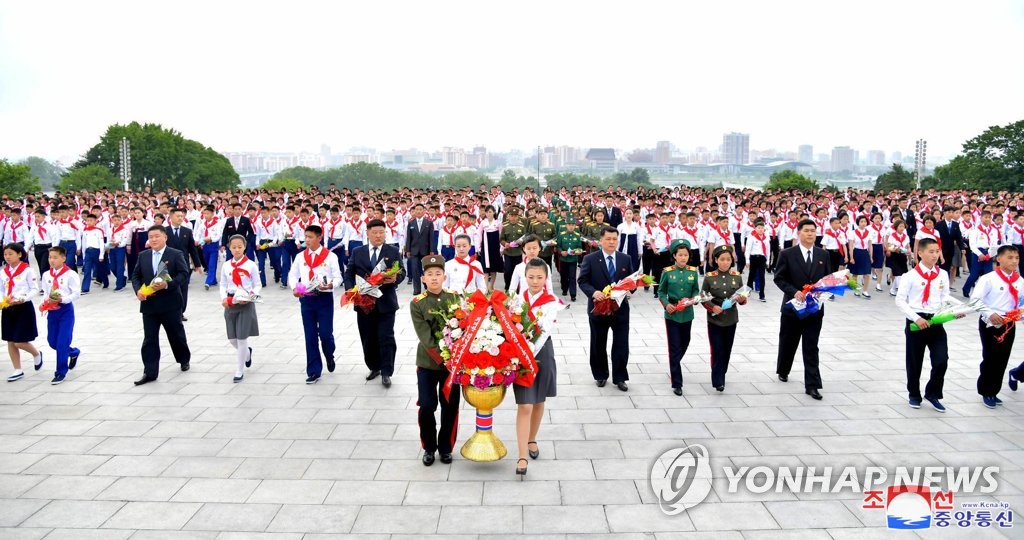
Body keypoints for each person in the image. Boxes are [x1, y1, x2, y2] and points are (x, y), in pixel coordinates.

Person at [409, 254, 460, 466]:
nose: (434, 278)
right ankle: (429, 448)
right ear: (423, 279)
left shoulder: (454, 298)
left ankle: (446, 448)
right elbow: (426, 337)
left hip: (452, 367)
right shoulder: (417, 303)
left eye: (438, 274)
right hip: (428, 364)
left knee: (450, 406)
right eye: (429, 274)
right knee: (428, 405)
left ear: (444, 277)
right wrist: (443, 359)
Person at [513, 259, 562, 479]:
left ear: (546, 278)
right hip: (520, 355)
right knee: (525, 404)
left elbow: (543, 332)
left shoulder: (552, 302)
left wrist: (529, 352)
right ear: (525, 277)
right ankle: (522, 454)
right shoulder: (516, 300)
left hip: (541, 353)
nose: (534, 281)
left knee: (539, 399)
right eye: (531, 277)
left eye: (539, 277)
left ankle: (532, 438)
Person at [895, 238, 956, 412]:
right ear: (920, 253)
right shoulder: (910, 276)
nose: (935, 255)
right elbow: (900, 301)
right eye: (931, 251)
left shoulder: (942, 274)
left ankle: (933, 393)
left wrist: (953, 310)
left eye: (937, 251)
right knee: (914, 361)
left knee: (941, 359)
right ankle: (914, 394)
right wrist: (916, 318)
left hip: (936, 321)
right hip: (917, 320)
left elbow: (945, 297)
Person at [774, 218, 832, 400]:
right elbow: (779, 278)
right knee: (788, 342)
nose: (810, 234)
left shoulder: (823, 255)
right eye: (806, 230)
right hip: (793, 308)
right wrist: (795, 292)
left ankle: (812, 385)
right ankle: (783, 369)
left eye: (813, 231)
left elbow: (828, 279)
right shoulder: (787, 254)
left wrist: (825, 292)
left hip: (814, 309)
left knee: (811, 345)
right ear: (798, 233)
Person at [344, 219, 405, 387]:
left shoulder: (392, 251)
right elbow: (349, 273)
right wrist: (351, 291)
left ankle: (386, 371)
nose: (378, 236)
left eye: (381, 232)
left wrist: (395, 278)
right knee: (368, 338)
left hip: (385, 303)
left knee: (386, 337)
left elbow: (401, 271)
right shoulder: (358, 252)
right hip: (364, 303)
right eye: (375, 233)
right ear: (368, 234)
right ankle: (374, 366)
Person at [130, 225, 192, 385]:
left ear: (165, 237)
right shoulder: (143, 255)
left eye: (157, 236)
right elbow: (136, 275)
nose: (154, 239)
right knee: (149, 338)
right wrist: (138, 291)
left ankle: (183, 359)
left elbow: (184, 274)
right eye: (151, 237)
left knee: (175, 334)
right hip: (149, 304)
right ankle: (150, 372)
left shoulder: (175, 254)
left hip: (170, 303)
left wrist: (166, 285)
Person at [578, 226, 634, 391]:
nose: (611, 242)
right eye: (608, 239)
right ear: (601, 241)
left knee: (621, 344)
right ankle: (600, 375)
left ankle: (620, 377)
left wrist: (631, 289)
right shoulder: (590, 259)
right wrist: (593, 292)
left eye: (614, 239)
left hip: (620, 309)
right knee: (598, 343)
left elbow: (631, 280)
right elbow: (582, 281)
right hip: (598, 309)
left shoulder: (626, 259)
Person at [288, 224, 341, 384]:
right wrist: (295, 288)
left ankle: (329, 355)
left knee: (325, 335)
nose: (307, 240)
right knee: (310, 336)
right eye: (306, 237)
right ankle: (313, 370)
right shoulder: (300, 256)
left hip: (324, 298)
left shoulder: (330, 256)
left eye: (310, 237)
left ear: (319, 238)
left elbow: (338, 277)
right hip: (307, 299)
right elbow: (293, 275)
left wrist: (330, 285)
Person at [970, 245, 1022, 408]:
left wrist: (1019, 313)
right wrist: (990, 314)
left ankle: (994, 390)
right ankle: (986, 390)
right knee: (991, 356)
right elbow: (975, 300)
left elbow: (1021, 302)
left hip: (1009, 323)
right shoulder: (989, 279)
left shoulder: (1020, 281)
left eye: (1016, 258)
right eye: (1010, 257)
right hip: (991, 322)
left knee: (1003, 357)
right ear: (999, 259)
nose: (1014, 261)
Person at [702, 245, 748, 392]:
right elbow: (703, 297)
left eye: (728, 259)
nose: (725, 262)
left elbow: (743, 296)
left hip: (731, 319)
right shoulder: (709, 277)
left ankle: (721, 372)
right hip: (715, 319)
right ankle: (718, 380)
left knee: (727, 349)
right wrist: (712, 307)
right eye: (722, 259)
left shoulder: (736, 276)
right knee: (717, 349)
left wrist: (742, 299)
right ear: (716, 260)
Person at [657, 240, 699, 395]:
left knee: (685, 342)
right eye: (680, 255)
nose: (683, 258)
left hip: (687, 313)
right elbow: (661, 292)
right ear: (674, 255)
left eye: (686, 255)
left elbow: (696, 291)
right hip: (672, 313)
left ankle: (674, 364)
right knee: (674, 347)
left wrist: (694, 299)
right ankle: (677, 383)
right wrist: (666, 304)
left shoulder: (693, 271)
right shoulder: (667, 272)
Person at [220, 235, 260, 383]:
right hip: (231, 302)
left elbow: (257, 284)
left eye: (239, 247)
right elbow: (223, 284)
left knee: (242, 338)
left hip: (245, 303)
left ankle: (239, 369)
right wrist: (223, 298)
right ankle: (247, 354)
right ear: (229, 248)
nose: (236, 250)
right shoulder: (226, 265)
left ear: (244, 247)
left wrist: (250, 296)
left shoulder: (251, 265)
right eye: (233, 247)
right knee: (232, 339)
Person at [40, 246, 82, 385]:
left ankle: (60, 372)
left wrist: (62, 299)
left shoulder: (70, 274)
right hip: (52, 311)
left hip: (65, 311)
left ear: (63, 258)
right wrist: (43, 304)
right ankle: (73, 352)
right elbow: (45, 293)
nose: (52, 260)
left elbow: (76, 293)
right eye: (50, 257)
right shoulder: (46, 275)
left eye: (55, 257)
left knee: (62, 342)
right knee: (52, 342)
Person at [1, 243, 43, 381]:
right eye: (5, 254)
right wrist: (3, 300)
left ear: (19, 254)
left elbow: (34, 289)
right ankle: (17, 369)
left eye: (10, 254)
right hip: (8, 308)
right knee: (10, 340)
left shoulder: (27, 270)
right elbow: (2, 289)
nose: (7, 257)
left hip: (23, 307)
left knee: (19, 341)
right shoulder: (3, 272)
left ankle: (36, 354)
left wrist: (22, 298)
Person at [164, 209, 202, 320]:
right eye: (178, 216)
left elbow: (192, 249)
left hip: (183, 265)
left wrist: (197, 264)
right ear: (171, 217)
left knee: (183, 289)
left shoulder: (187, 231)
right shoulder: (164, 231)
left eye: (182, 216)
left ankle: (180, 312)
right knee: (169, 288)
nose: (180, 218)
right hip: (168, 265)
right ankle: (169, 311)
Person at [964, 211, 998, 297]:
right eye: (985, 217)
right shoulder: (975, 230)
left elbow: (994, 243)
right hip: (978, 253)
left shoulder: (994, 230)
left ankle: (987, 294)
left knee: (989, 274)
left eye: (989, 217)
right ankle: (965, 289)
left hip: (989, 252)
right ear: (981, 218)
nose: (987, 219)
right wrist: (979, 254)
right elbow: (972, 245)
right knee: (974, 275)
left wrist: (990, 254)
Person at [405, 204, 434, 295]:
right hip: (414, 251)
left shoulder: (428, 223)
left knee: (427, 270)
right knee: (415, 270)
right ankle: (416, 289)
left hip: (425, 250)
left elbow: (431, 238)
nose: (418, 211)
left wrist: (431, 250)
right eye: (416, 209)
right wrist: (408, 250)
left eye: (420, 209)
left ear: (424, 211)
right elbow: (408, 238)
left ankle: (427, 286)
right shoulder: (411, 223)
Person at [477, 205, 503, 292]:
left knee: (493, 269)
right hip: (485, 248)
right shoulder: (483, 223)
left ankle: (491, 287)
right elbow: (479, 235)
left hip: (495, 248)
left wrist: (501, 248)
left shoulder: (498, 223)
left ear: (494, 212)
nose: (488, 214)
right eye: (487, 212)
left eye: (490, 212)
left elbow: (501, 236)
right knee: (485, 269)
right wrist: (479, 248)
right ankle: (485, 288)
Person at [500, 208, 527, 293]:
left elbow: (525, 238)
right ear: (508, 216)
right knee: (508, 271)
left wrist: (521, 242)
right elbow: (501, 239)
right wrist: (505, 244)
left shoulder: (522, 227)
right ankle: (508, 287)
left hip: (518, 253)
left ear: (518, 217)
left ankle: (517, 289)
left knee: (518, 271)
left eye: (515, 216)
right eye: (512, 216)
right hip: (508, 252)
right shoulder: (505, 226)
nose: (513, 218)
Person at [556, 220, 583, 301]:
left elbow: (580, 247)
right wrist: (561, 252)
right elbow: (558, 246)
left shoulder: (577, 236)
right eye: (569, 225)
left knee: (572, 276)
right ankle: (564, 289)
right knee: (564, 276)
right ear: (566, 226)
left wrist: (577, 251)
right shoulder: (561, 235)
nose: (571, 226)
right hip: (563, 259)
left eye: (572, 225)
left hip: (573, 259)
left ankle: (573, 294)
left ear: (575, 226)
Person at [744, 219, 769, 302]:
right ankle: (747, 291)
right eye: (759, 228)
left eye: (762, 228)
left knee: (762, 277)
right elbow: (748, 249)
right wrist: (747, 260)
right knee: (751, 275)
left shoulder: (766, 238)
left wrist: (768, 261)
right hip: (753, 257)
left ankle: (762, 295)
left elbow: (768, 250)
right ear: (755, 228)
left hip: (762, 258)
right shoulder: (752, 237)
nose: (760, 229)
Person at [848, 215, 873, 298]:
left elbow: (870, 245)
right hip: (856, 252)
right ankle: (856, 290)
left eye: (865, 221)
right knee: (855, 273)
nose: (863, 223)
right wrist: (851, 257)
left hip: (865, 253)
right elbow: (851, 246)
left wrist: (871, 256)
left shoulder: (868, 233)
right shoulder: (853, 232)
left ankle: (865, 291)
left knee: (867, 273)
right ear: (858, 222)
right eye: (861, 221)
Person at [886, 219, 911, 296]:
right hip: (894, 256)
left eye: (903, 226)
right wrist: (895, 249)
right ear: (896, 227)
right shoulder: (892, 236)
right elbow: (888, 246)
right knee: (897, 274)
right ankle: (901, 292)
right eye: (900, 226)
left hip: (902, 257)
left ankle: (893, 290)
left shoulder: (906, 236)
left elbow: (908, 246)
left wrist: (909, 251)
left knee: (903, 274)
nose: (902, 228)